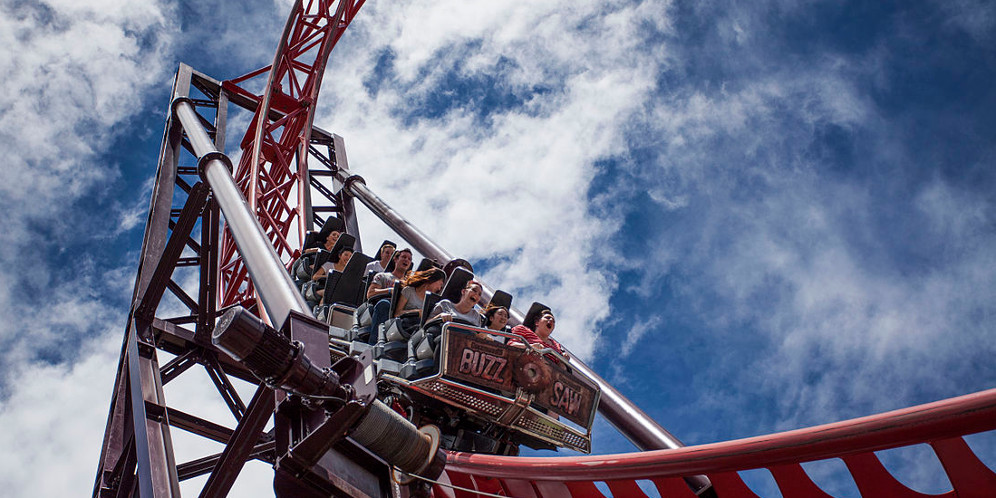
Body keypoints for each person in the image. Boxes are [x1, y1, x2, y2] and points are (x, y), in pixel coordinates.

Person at [366, 248, 413, 345]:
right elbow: (370, 293)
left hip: (399, 312)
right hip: (383, 306)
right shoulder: (382, 276)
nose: (406, 260)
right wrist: (389, 291)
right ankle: (374, 344)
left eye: (409, 259)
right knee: (384, 304)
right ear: (395, 259)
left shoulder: (409, 285)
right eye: (403, 257)